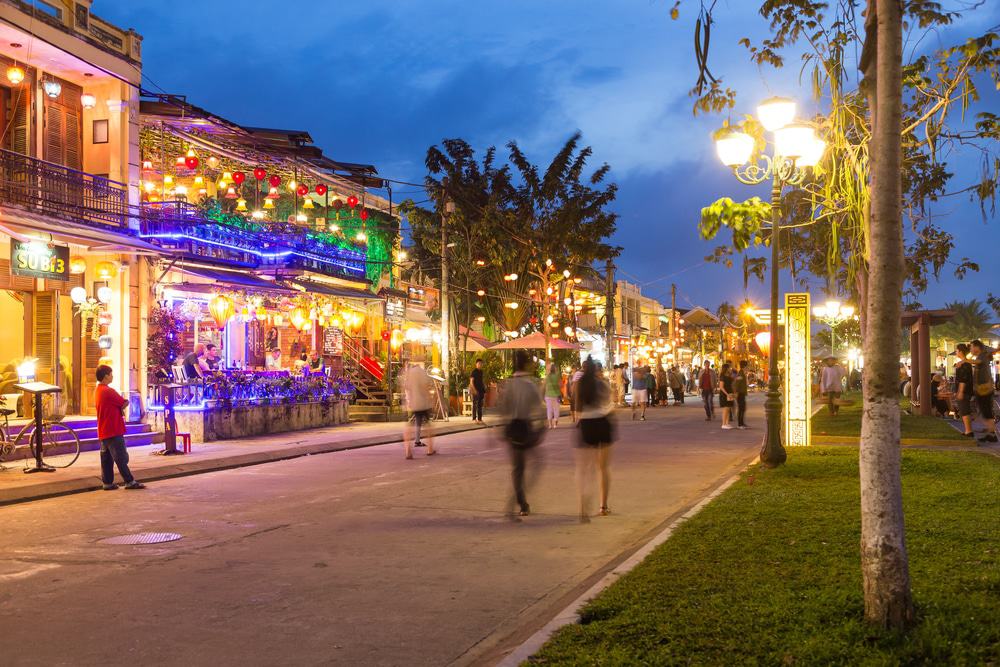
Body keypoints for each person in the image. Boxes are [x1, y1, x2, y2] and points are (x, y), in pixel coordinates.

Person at [498, 351, 546, 518]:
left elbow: (503, 408)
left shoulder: (509, 385)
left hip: (512, 428)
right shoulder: (530, 384)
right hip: (525, 427)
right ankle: (519, 500)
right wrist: (541, 427)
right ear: (526, 364)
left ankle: (521, 501)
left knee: (518, 468)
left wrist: (501, 427)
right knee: (537, 464)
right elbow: (540, 409)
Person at [575, 357, 615, 522]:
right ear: (596, 370)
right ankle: (603, 506)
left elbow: (577, 408)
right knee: (603, 468)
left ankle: (583, 508)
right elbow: (610, 404)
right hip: (602, 423)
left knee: (583, 469)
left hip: (586, 425)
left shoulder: (580, 385)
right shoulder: (603, 384)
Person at [95, 365, 144, 491]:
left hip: (103, 429)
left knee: (106, 458)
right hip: (113, 429)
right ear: (106, 376)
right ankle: (129, 481)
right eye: (111, 374)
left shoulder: (98, 390)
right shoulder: (108, 391)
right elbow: (124, 402)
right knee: (121, 457)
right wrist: (121, 407)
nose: (112, 376)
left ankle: (107, 482)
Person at [403, 363, 437, 458]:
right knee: (428, 425)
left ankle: (408, 451)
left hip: (414, 403)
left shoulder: (409, 373)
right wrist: (430, 400)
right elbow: (426, 387)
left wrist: (409, 400)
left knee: (410, 425)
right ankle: (430, 449)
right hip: (423, 403)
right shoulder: (422, 372)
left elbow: (407, 387)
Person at [968, 340, 998, 443]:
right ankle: (990, 433)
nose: (970, 349)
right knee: (985, 412)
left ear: (977, 347)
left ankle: (992, 434)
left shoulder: (982, 355)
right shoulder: (981, 356)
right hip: (981, 389)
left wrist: (964, 360)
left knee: (986, 411)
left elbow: (978, 362)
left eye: (971, 347)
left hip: (985, 389)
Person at [544, 362, 562, 428]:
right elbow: (561, 385)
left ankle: (550, 425)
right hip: (556, 395)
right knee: (556, 410)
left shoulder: (547, 376)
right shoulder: (557, 376)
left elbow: (545, 386)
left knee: (549, 410)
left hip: (548, 395)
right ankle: (555, 425)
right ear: (555, 369)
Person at [469, 358, 487, 424]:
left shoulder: (481, 372)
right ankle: (474, 418)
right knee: (475, 405)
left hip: (481, 390)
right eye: (479, 363)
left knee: (480, 405)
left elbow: (481, 381)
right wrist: (474, 390)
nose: (480, 365)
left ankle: (480, 419)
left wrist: (484, 387)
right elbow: (471, 382)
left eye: (481, 364)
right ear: (476, 364)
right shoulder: (474, 372)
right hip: (475, 390)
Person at [718, 362, 735, 429]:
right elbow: (721, 387)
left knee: (728, 409)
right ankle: (723, 424)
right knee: (725, 409)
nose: (730, 369)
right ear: (726, 368)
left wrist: (732, 393)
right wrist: (727, 394)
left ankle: (727, 423)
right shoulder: (722, 377)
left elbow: (732, 384)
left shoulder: (729, 376)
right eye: (729, 368)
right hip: (725, 394)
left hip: (730, 393)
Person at [734, 361, 750, 429]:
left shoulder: (742, 373)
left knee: (743, 408)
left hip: (742, 393)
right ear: (744, 366)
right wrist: (736, 393)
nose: (748, 367)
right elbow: (737, 384)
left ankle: (742, 423)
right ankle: (740, 424)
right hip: (740, 393)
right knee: (741, 408)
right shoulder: (740, 374)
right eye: (747, 366)